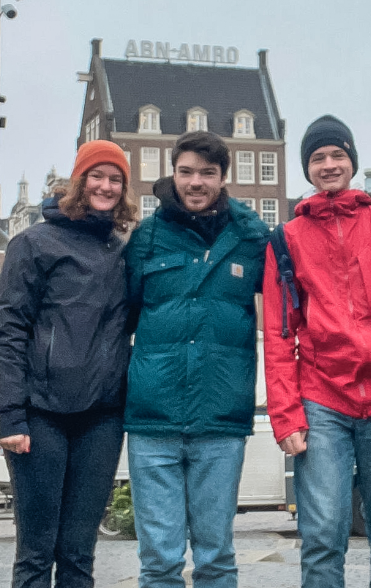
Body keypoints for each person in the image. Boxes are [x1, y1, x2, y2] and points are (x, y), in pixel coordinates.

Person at [263, 115, 371, 588]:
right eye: (318, 158)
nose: (329, 164)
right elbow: (280, 334)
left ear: (352, 162)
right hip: (322, 401)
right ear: (307, 169)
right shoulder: (286, 240)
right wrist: (286, 415)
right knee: (321, 540)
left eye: (338, 155)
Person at [122, 131, 269, 588]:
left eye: (207, 172)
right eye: (186, 171)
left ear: (223, 177)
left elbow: (291, 314)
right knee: (159, 562)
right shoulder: (146, 239)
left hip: (219, 421)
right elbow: (119, 321)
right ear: (173, 173)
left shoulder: (252, 237)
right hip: (152, 423)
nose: (195, 182)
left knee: (216, 558)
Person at [0, 140, 136, 588]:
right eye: (97, 176)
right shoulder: (33, 243)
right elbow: (7, 330)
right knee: (36, 553)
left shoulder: (121, 250)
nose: (106, 186)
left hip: (102, 418)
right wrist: (11, 414)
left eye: (116, 179)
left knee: (78, 554)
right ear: (79, 180)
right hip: (40, 414)